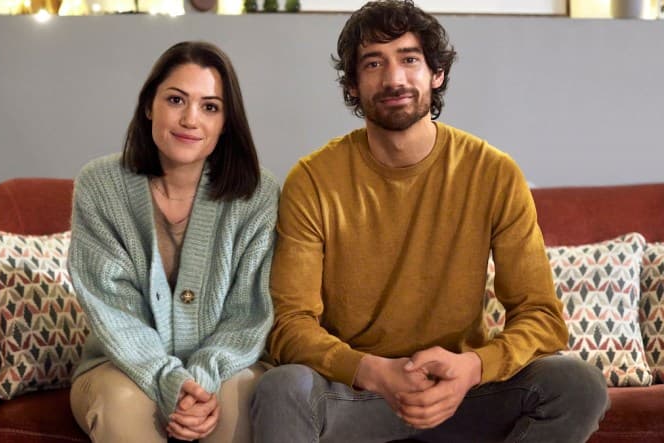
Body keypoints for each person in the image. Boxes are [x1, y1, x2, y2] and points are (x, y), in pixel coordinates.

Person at [251, 1, 609, 442]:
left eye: (409, 59)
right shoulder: (313, 180)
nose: (394, 78)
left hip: (463, 395)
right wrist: (373, 371)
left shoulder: (493, 173)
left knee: (577, 384)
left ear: (436, 73)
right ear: (352, 86)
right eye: (373, 63)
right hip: (357, 394)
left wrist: (472, 368)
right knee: (282, 387)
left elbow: (541, 316)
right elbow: (289, 324)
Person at [68, 41, 278, 443]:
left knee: (238, 401)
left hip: (227, 366)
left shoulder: (258, 195)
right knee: (126, 405)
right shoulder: (99, 187)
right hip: (121, 367)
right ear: (150, 105)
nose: (190, 119)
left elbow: (249, 313)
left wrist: (200, 381)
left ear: (226, 122)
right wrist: (170, 381)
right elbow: (115, 312)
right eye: (176, 100)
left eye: (210, 107)